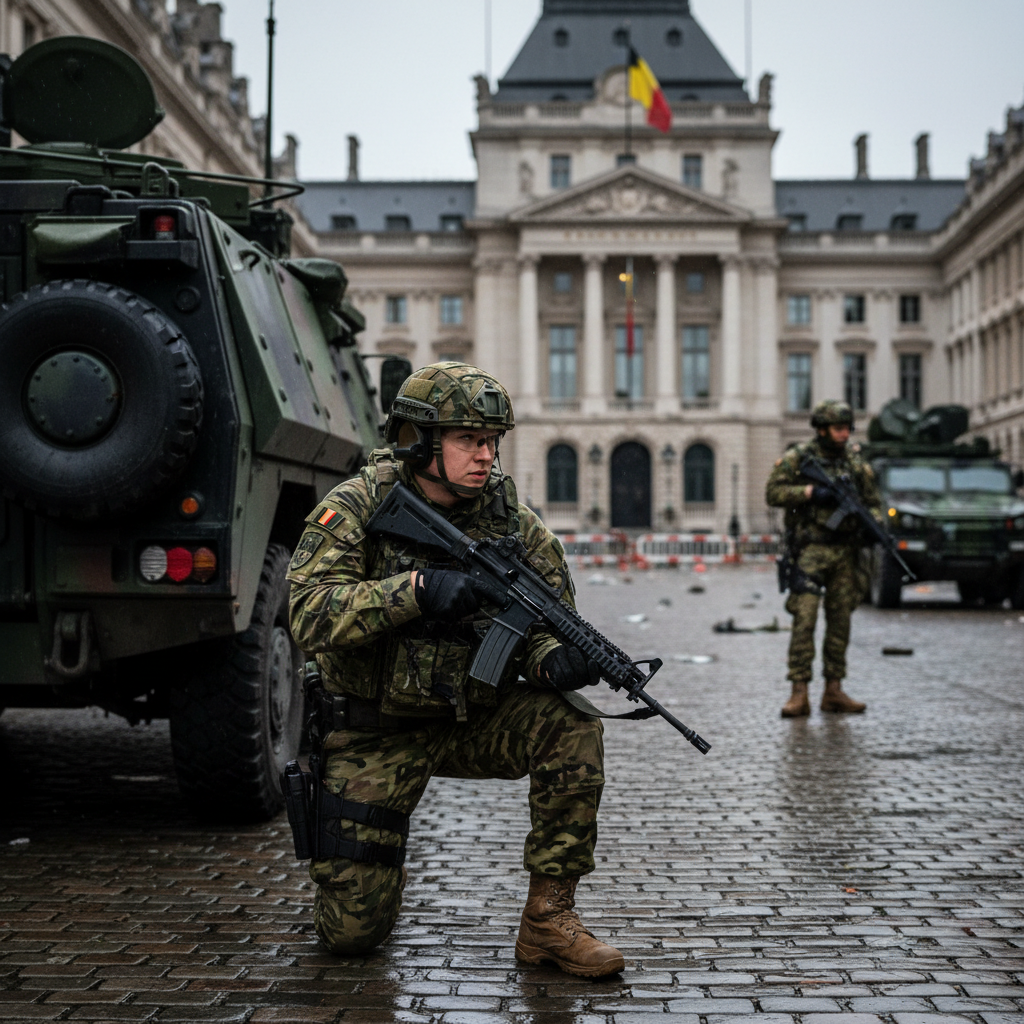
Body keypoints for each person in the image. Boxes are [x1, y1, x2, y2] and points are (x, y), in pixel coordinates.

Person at [287, 361, 624, 977]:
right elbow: (308, 615)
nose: (485, 456)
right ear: (420, 441)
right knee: (352, 937)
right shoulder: (360, 506)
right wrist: (414, 590)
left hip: (469, 716)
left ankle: (550, 920)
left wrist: (554, 663)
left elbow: (541, 630)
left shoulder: (514, 527)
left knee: (573, 724)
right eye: (470, 440)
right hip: (374, 729)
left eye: (492, 442)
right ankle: (366, 862)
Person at [765, 399, 882, 717]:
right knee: (804, 620)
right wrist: (809, 493)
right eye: (838, 428)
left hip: (846, 552)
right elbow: (773, 492)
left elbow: (874, 502)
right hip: (810, 552)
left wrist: (873, 521)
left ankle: (834, 689)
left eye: (847, 429)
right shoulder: (799, 458)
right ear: (821, 429)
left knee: (840, 621)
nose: (844, 434)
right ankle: (798, 690)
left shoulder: (856, 465)